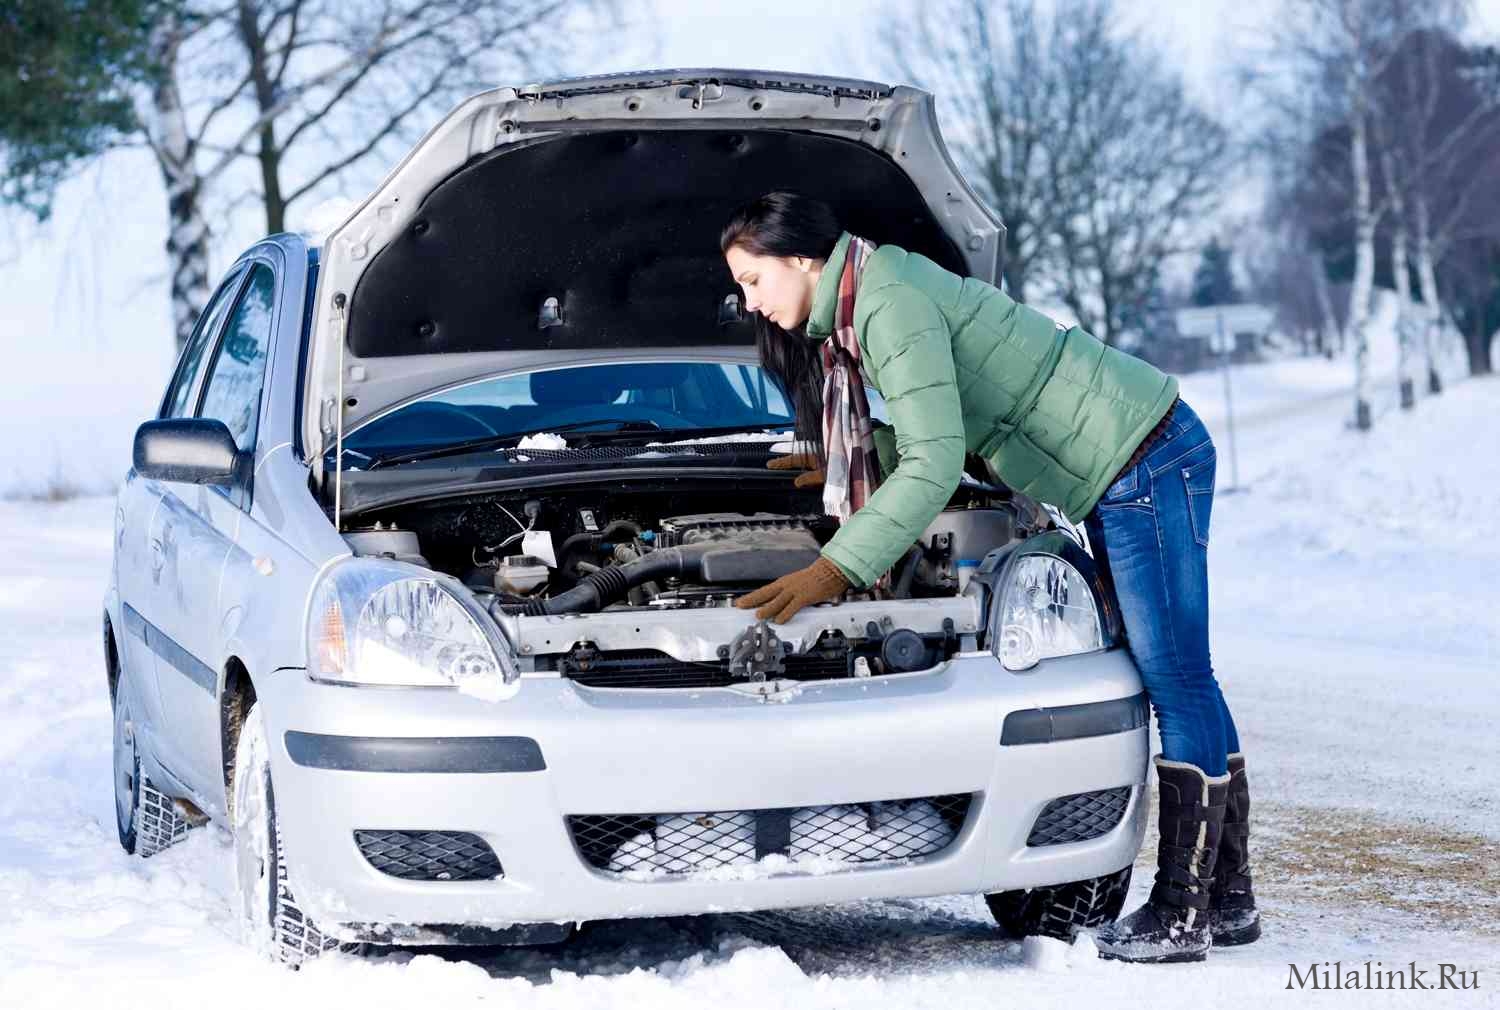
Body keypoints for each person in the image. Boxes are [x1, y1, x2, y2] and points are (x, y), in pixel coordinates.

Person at [720, 190, 1259, 964]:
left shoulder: (886, 305)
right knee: (1187, 677)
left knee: (1177, 679)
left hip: (1142, 456)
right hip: (1129, 459)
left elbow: (938, 460)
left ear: (800, 259)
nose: (751, 302)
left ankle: (1183, 911)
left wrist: (839, 566)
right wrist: (849, 449)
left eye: (753, 280)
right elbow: (946, 413)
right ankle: (1228, 900)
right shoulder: (878, 287)